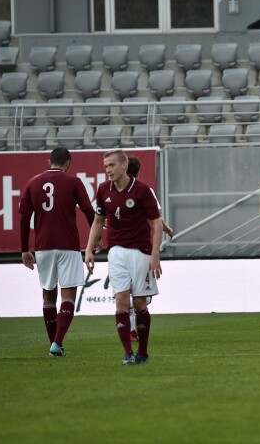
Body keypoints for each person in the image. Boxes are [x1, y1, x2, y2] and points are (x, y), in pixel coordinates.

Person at [84, 149, 163, 365]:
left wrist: (155, 255)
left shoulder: (142, 191)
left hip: (141, 252)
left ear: (124, 165)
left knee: (139, 303)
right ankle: (128, 353)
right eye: (106, 166)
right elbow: (98, 221)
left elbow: (156, 224)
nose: (108, 170)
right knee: (121, 301)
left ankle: (143, 353)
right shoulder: (103, 190)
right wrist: (89, 249)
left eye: (111, 165)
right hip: (116, 252)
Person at [19, 146, 96, 357]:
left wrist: (25, 249)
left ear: (48, 161)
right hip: (68, 245)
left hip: (43, 247)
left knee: (48, 296)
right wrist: (95, 239)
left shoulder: (33, 183)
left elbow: (24, 218)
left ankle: (54, 343)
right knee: (68, 294)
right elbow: (89, 211)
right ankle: (58, 342)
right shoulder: (74, 182)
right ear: (68, 163)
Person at [125, 155, 173, 343]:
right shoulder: (146, 191)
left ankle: (132, 330)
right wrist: (167, 228)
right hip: (140, 249)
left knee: (133, 297)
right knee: (136, 297)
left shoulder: (121, 191)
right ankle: (131, 332)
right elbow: (155, 217)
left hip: (123, 250)